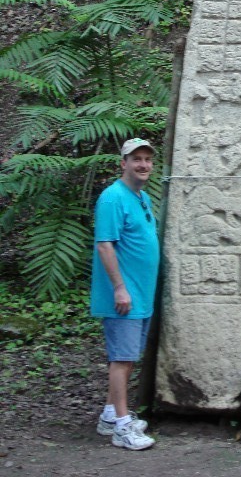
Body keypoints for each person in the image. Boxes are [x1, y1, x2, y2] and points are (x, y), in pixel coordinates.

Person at [90, 138, 160, 451]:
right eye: (136, 159)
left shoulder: (140, 197)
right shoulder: (112, 198)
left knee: (128, 358)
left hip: (140, 296)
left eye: (147, 159)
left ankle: (109, 415)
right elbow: (105, 244)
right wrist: (120, 287)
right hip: (124, 296)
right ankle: (121, 426)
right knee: (121, 359)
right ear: (123, 163)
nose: (143, 165)